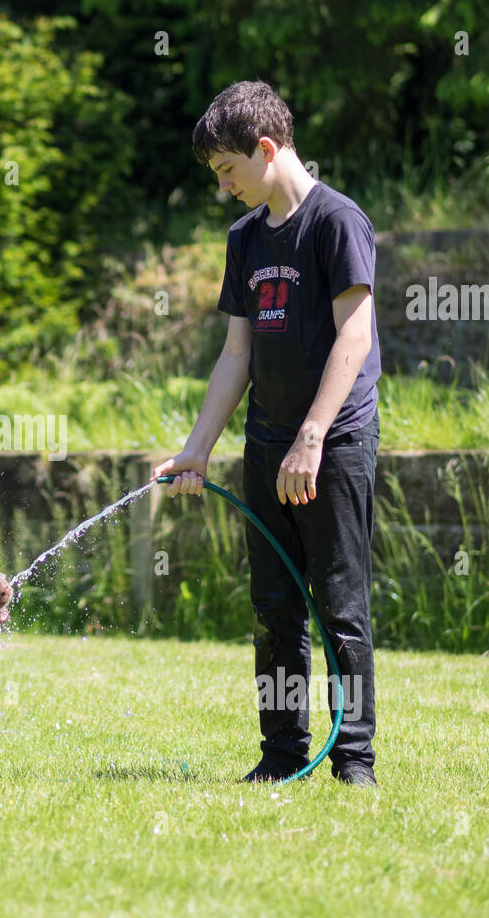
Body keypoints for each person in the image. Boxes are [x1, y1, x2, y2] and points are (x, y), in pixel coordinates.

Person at [151, 80, 381, 787]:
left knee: (341, 604)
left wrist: (312, 435)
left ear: (267, 148)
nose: (224, 187)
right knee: (274, 609)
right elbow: (236, 355)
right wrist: (199, 447)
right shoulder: (245, 239)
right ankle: (282, 753)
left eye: (227, 170)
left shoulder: (337, 222)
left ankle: (354, 762)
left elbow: (356, 333)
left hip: (333, 444)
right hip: (267, 444)